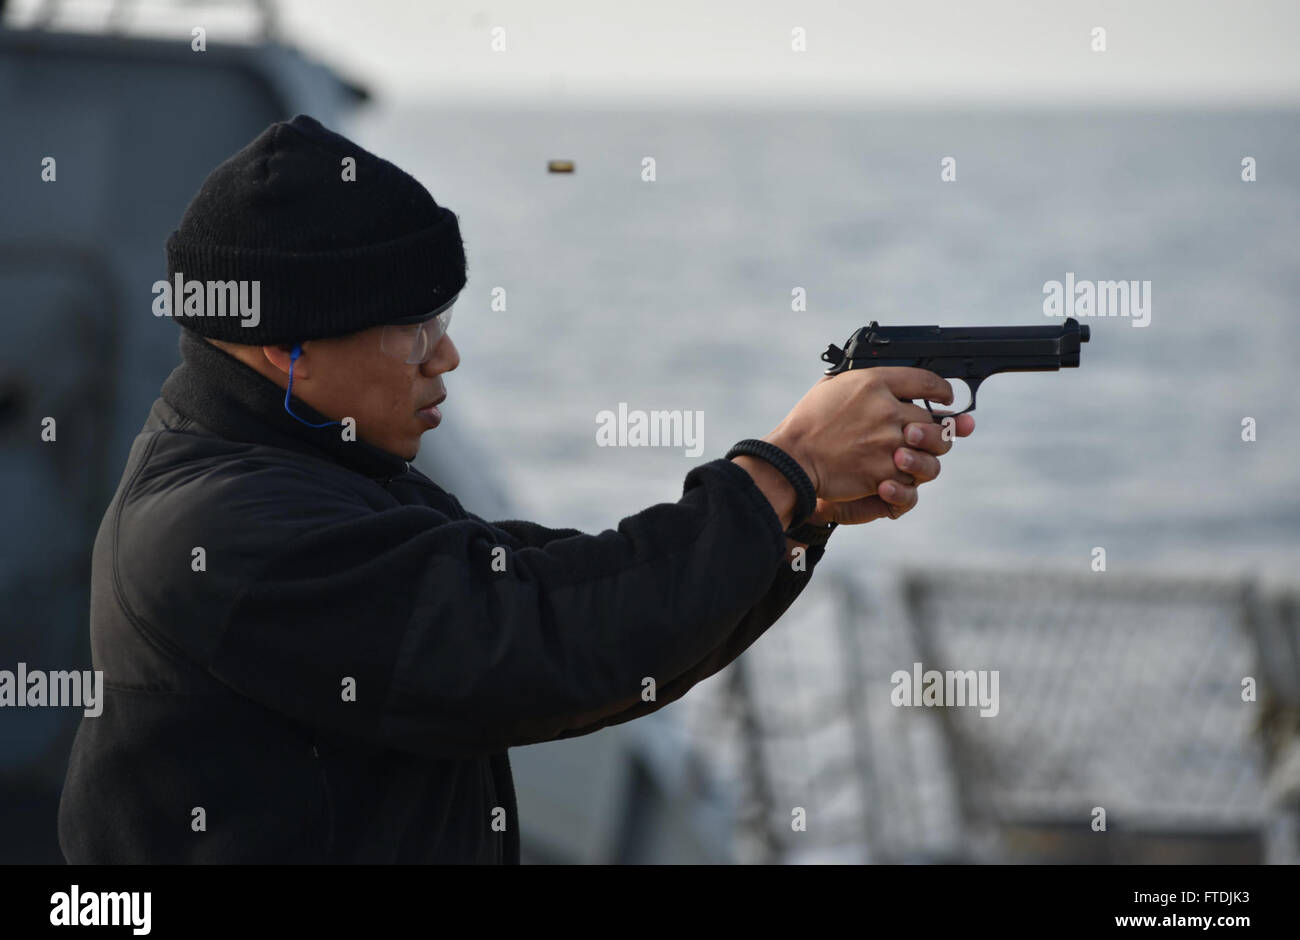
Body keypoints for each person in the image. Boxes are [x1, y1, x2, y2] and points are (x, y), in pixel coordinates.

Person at [56, 114, 974, 863]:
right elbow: (539, 640)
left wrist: (796, 514)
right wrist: (785, 467)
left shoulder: (317, 473)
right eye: (415, 329)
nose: (446, 355)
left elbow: (571, 596)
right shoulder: (222, 527)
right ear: (282, 349)